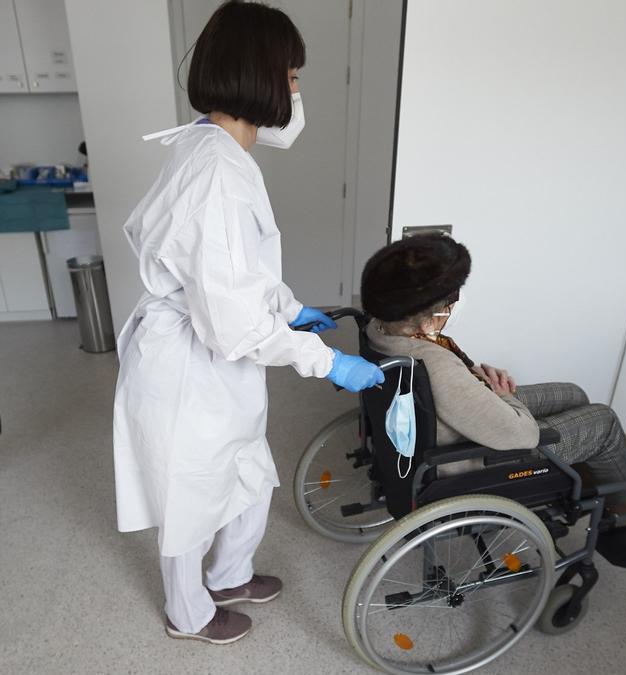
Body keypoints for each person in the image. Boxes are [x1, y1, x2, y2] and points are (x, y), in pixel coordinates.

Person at [112, 1, 384, 645]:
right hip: (191, 361)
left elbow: (237, 270)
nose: (296, 91)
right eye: (292, 75)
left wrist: (290, 309)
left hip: (210, 353)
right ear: (259, 75)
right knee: (193, 490)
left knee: (247, 468)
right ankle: (190, 613)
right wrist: (326, 362)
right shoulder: (217, 174)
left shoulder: (219, 152)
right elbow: (232, 322)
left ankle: (231, 573)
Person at [361, 236, 626, 527]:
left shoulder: (382, 330)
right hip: (477, 455)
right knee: (604, 421)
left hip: (460, 414)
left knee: (573, 394)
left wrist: (477, 379)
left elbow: (456, 383)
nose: (455, 304)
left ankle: (591, 480)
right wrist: (504, 398)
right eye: (451, 299)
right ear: (430, 320)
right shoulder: (436, 365)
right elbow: (524, 435)